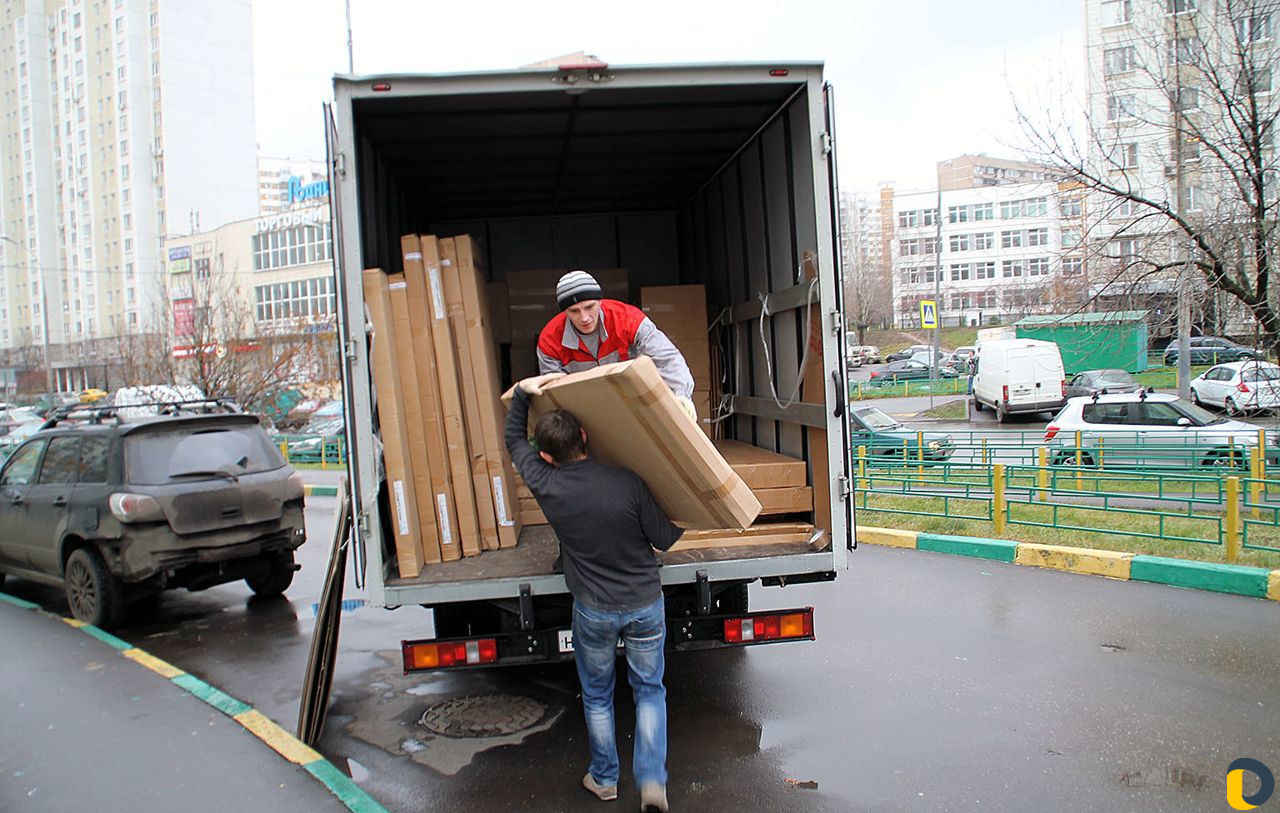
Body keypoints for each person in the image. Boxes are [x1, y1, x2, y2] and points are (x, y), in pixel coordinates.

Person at [505, 372, 681, 813]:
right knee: (649, 691)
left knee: (598, 695)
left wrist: (524, 395)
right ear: (585, 436)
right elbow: (665, 540)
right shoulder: (628, 483)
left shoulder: (546, 485)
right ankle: (652, 781)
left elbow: (513, 441)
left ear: (546, 456)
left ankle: (604, 779)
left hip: (594, 610)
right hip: (644, 604)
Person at [537, 270, 697, 421]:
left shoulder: (629, 320)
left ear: (600, 301)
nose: (584, 318)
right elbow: (554, 393)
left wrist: (681, 395)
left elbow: (667, 359)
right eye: (574, 311)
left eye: (589, 307)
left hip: (631, 399)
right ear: (564, 312)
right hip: (585, 410)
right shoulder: (549, 341)